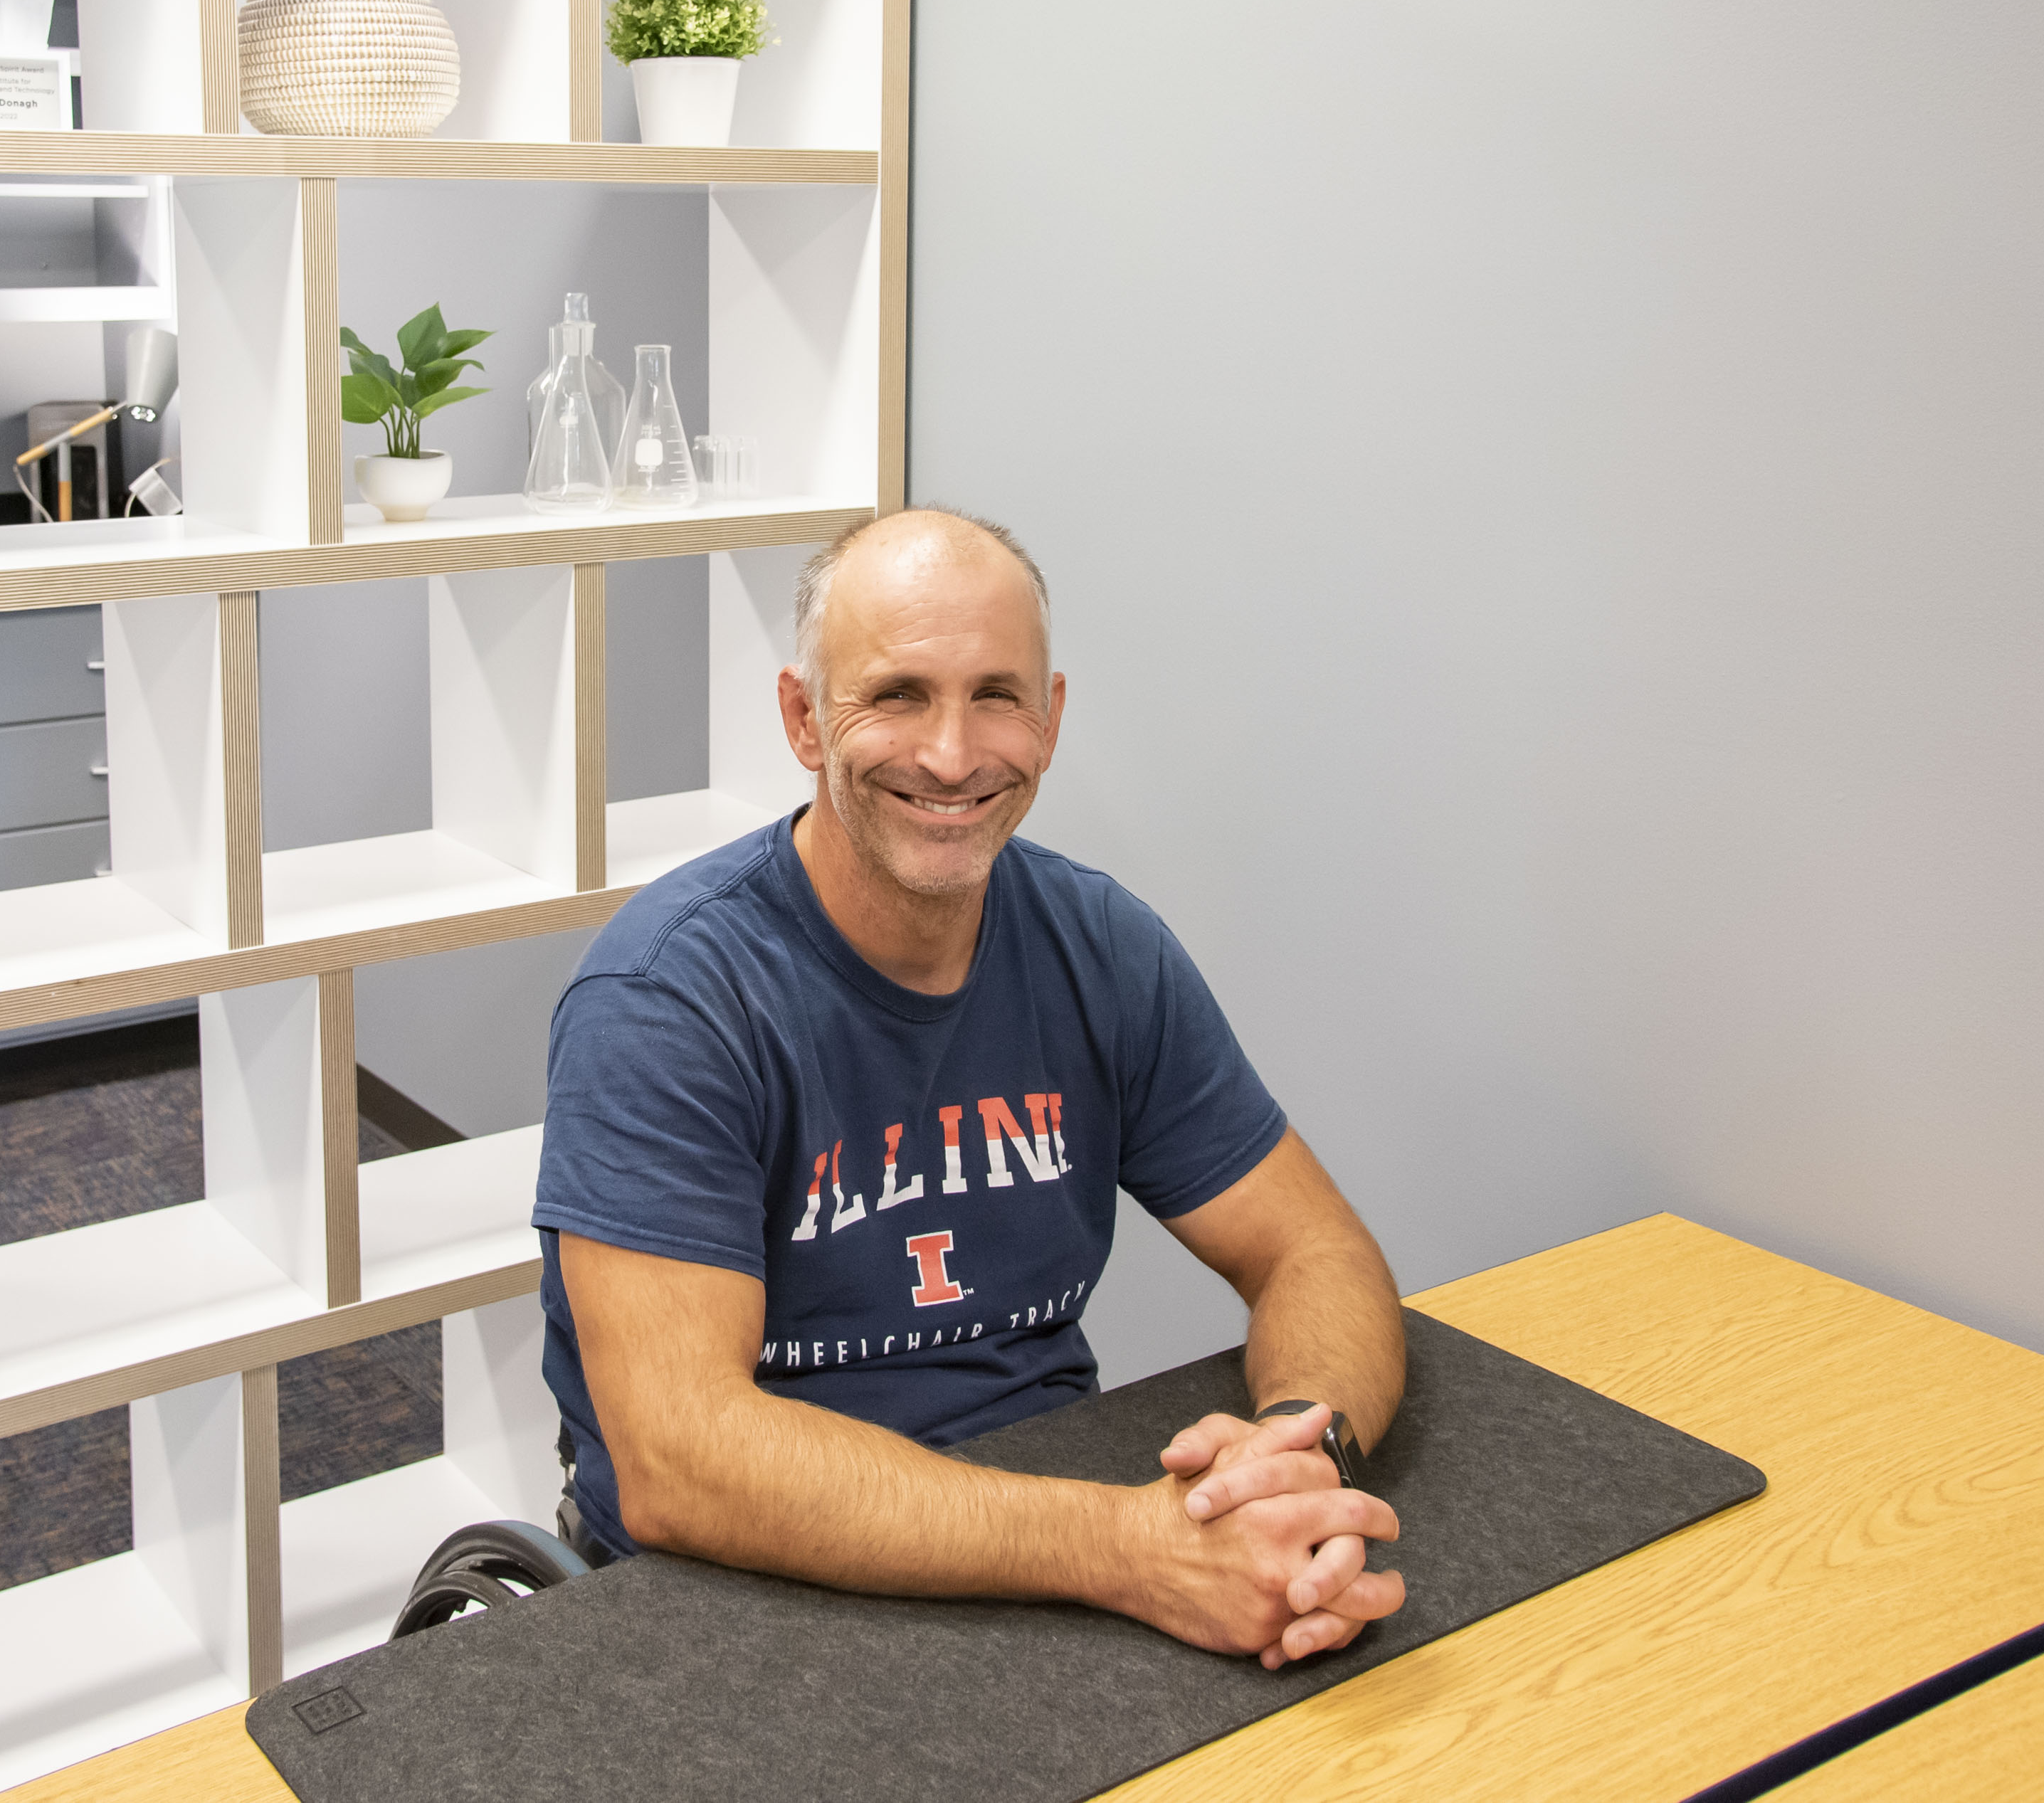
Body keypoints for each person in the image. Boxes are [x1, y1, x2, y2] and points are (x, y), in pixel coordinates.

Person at [533, 507, 1411, 1667]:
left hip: (1048, 1530)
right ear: (804, 717)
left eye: (996, 694)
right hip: (741, 1587)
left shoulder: (1103, 947)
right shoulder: (665, 997)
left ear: (1050, 719)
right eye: (896, 694)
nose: (952, 754)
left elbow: (1315, 1251)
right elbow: (681, 1458)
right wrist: (1127, 1548)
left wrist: (1299, 1454)